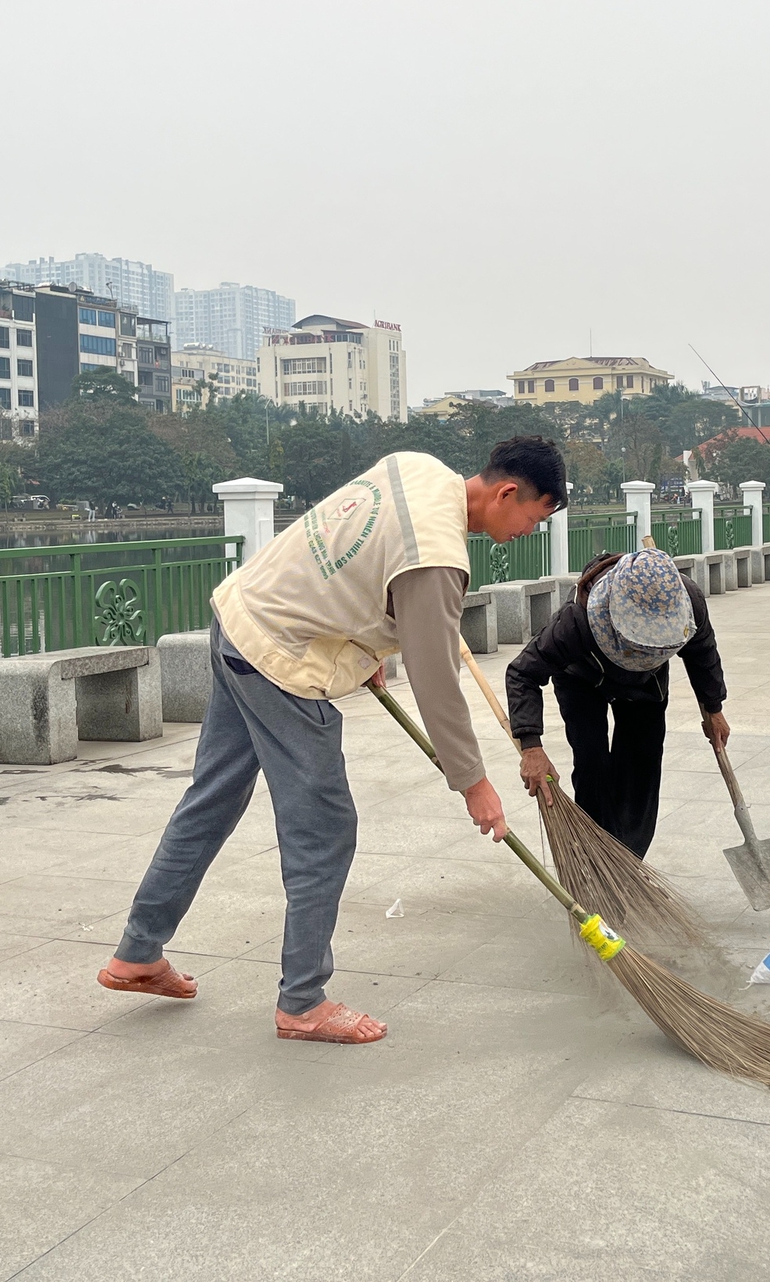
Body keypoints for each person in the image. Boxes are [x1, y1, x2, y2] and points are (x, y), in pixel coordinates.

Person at [100, 436, 567, 1045]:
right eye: (534, 518)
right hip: (281, 660)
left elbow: (350, 551)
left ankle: (137, 953)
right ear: (508, 493)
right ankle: (303, 1002)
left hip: (240, 616)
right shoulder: (438, 558)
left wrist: (363, 642)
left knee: (212, 797)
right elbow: (435, 681)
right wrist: (473, 783)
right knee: (323, 831)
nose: (528, 532)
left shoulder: (417, 468)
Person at [505, 548, 728, 859]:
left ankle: (629, 861)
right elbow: (522, 673)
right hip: (582, 678)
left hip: (646, 682)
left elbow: (702, 651)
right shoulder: (576, 619)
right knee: (592, 762)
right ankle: (596, 855)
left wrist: (713, 706)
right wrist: (531, 745)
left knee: (643, 762)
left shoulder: (687, 600)